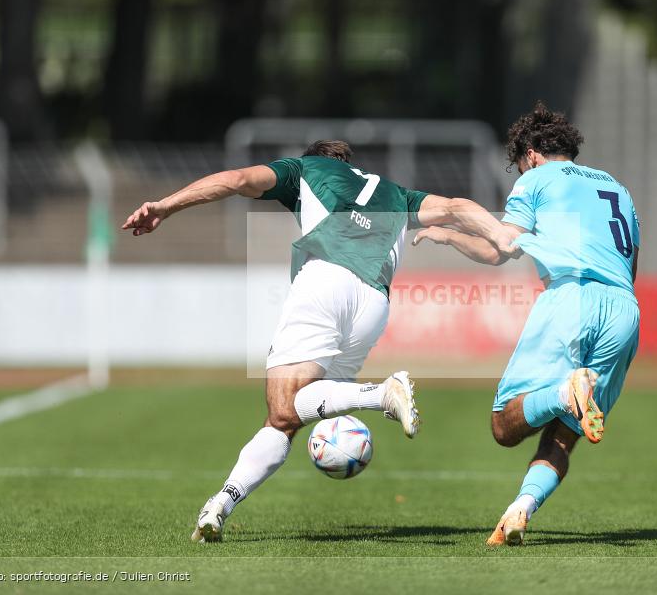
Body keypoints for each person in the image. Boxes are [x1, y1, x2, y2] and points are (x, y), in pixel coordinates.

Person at [122, 139, 505, 543]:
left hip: (326, 282)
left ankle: (381, 395)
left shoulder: (306, 169)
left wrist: (165, 206)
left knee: (283, 405)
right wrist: (502, 235)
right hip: (374, 303)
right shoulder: (398, 194)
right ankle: (220, 504)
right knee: (287, 418)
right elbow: (456, 206)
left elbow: (236, 180)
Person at [413, 102, 641, 546]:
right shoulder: (619, 188)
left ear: (531, 153)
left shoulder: (535, 179)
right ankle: (520, 510)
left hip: (572, 296)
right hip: (624, 308)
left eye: (519, 165)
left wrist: (449, 236)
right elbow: (631, 264)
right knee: (567, 430)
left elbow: (500, 248)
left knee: (504, 426)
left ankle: (561, 391)